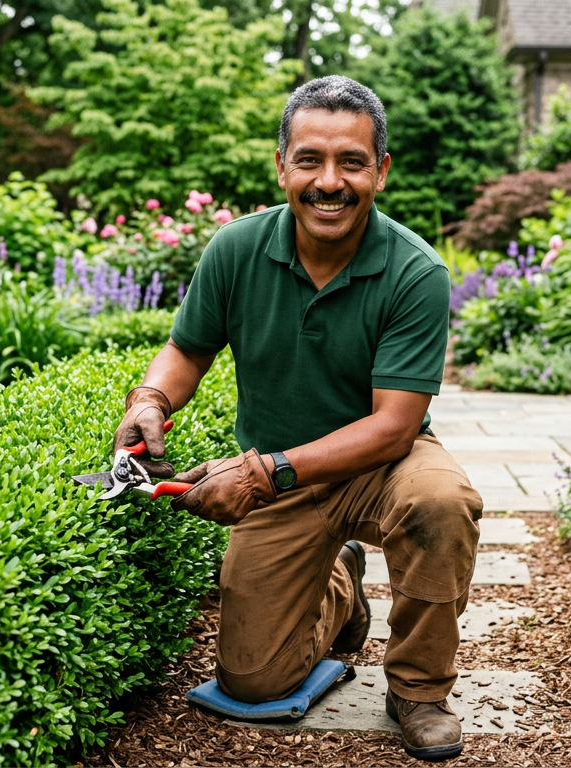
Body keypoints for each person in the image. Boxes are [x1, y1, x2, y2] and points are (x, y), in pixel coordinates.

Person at [112, 75, 482, 761]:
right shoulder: (236, 249)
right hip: (282, 476)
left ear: (381, 171)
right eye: (310, 159)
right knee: (253, 680)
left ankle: (419, 690)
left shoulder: (415, 271)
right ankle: (341, 584)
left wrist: (259, 475)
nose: (329, 181)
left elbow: (394, 426)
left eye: (351, 162)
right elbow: (187, 350)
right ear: (282, 164)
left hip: (382, 465)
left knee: (441, 501)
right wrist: (150, 400)